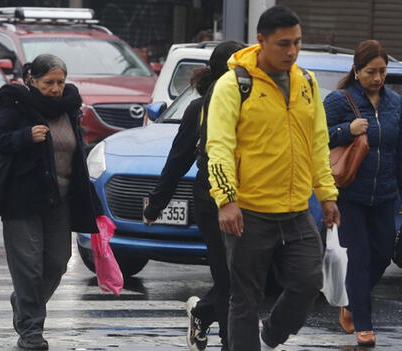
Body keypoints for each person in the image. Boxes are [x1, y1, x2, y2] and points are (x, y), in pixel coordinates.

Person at [205, 5, 341, 351]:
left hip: (296, 212)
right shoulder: (234, 85)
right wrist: (227, 200)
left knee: (308, 283)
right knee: (245, 298)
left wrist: (327, 195)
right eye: (283, 44)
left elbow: (317, 144)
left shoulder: (306, 82)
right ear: (261, 41)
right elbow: (218, 146)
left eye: (297, 42)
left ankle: (271, 336)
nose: (292, 51)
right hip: (248, 212)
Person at [0, 54, 103, 350]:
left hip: (59, 201)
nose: (55, 88)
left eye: (60, 82)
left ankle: (23, 301)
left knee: (57, 263)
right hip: (21, 200)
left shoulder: (69, 109)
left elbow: (77, 153)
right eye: (48, 82)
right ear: (32, 81)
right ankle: (31, 331)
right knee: (28, 269)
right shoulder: (16, 105)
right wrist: (24, 136)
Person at [144, 41, 245, 351]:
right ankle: (232, 343)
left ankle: (202, 313)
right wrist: (156, 205)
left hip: (253, 203)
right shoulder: (199, 109)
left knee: (244, 279)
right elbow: (177, 161)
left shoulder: (255, 105)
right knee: (230, 280)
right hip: (211, 202)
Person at [324, 40, 401, 347]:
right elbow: (317, 140)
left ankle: (352, 302)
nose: (378, 78)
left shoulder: (395, 103)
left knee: (382, 254)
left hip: (384, 193)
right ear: (356, 71)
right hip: (349, 193)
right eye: (371, 72)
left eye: (383, 71)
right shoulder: (339, 101)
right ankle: (364, 328)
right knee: (359, 256)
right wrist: (346, 131)